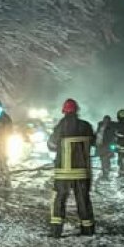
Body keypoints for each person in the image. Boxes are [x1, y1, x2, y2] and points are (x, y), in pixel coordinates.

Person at [47, 98, 95, 237]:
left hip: (63, 172)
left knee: (59, 200)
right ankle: (88, 230)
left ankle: (56, 231)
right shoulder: (86, 126)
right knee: (83, 200)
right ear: (77, 110)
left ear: (64, 111)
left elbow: (51, 145)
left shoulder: (60, 126)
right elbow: (95, 142)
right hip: (82, 172)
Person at [95, 114, 117, 179]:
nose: (106, 121)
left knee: (106, 160)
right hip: (101, 146)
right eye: (105, 120)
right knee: (103, 160)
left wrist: (112, 149)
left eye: (107, 120)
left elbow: (113, 140)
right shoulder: (100, 126)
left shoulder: (111, 128)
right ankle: (105, 173)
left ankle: (106, 174)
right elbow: (98, 136)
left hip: (107, 147)